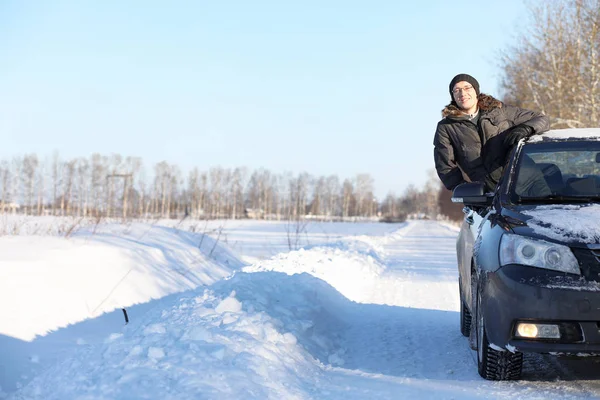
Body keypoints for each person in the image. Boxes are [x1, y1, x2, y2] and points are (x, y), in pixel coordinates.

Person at [433, 73, 550, 192]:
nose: (462, 93)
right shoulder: (446, 127)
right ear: (453, 96)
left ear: (476, 91)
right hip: (491, 193)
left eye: (467, 88)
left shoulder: (500, 111)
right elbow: (445, 167)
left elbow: (541, 119)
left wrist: (525, 128)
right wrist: (467, 190)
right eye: (457, 90)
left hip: (530, 182)